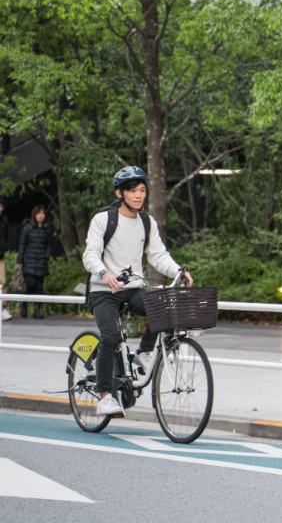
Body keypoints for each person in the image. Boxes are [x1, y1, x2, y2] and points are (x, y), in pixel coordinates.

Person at [82, 166, 192, 416]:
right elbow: (90, 255)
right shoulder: (103, 219)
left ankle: (143, 352)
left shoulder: (146, 222)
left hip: (132, 289)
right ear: (120, 193)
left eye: (142, 190)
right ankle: (104, 395)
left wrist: (177, 270)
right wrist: (104, 273)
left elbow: (158, 254)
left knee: (162, 307)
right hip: (103, 291)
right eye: (133, 191)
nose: (139, 195)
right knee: (109, 336)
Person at [17, 205, 54, 319]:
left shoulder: (47, 229)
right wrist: (20, 260)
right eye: (38, 213)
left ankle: (37, 309)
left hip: (41, 261)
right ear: (34, 215)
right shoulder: (28, 228)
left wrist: (46, 256)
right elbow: (22, 244)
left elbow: (49, 244)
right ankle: (24, 306)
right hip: (29, 260)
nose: (41, 216)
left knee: (39, 287)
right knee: (30, 285)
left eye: (43, 213)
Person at [0, 201, 10, 320]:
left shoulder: (4, 220)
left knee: (2, 282)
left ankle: (3, 308)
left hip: (0, 257)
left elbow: (5, 236)